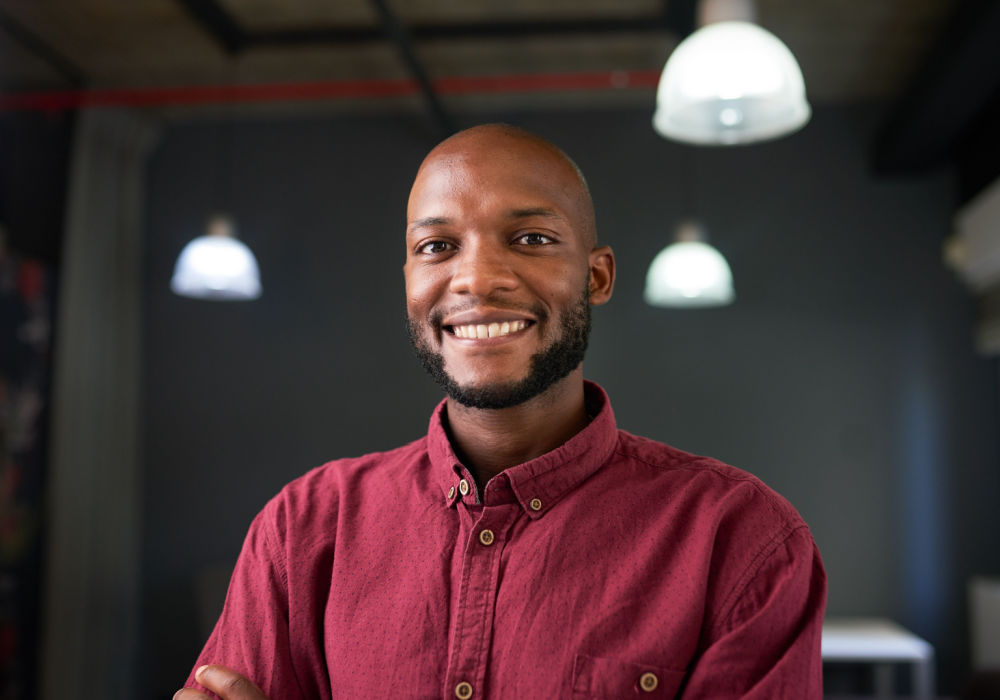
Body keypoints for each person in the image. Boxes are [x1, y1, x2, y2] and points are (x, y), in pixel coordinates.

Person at [175, 124, 826, 700]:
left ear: (596, 277)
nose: (477, 279)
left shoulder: (741, 542)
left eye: (532, 238)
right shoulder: (301, 530)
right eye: (437, 247)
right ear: (407, 277)